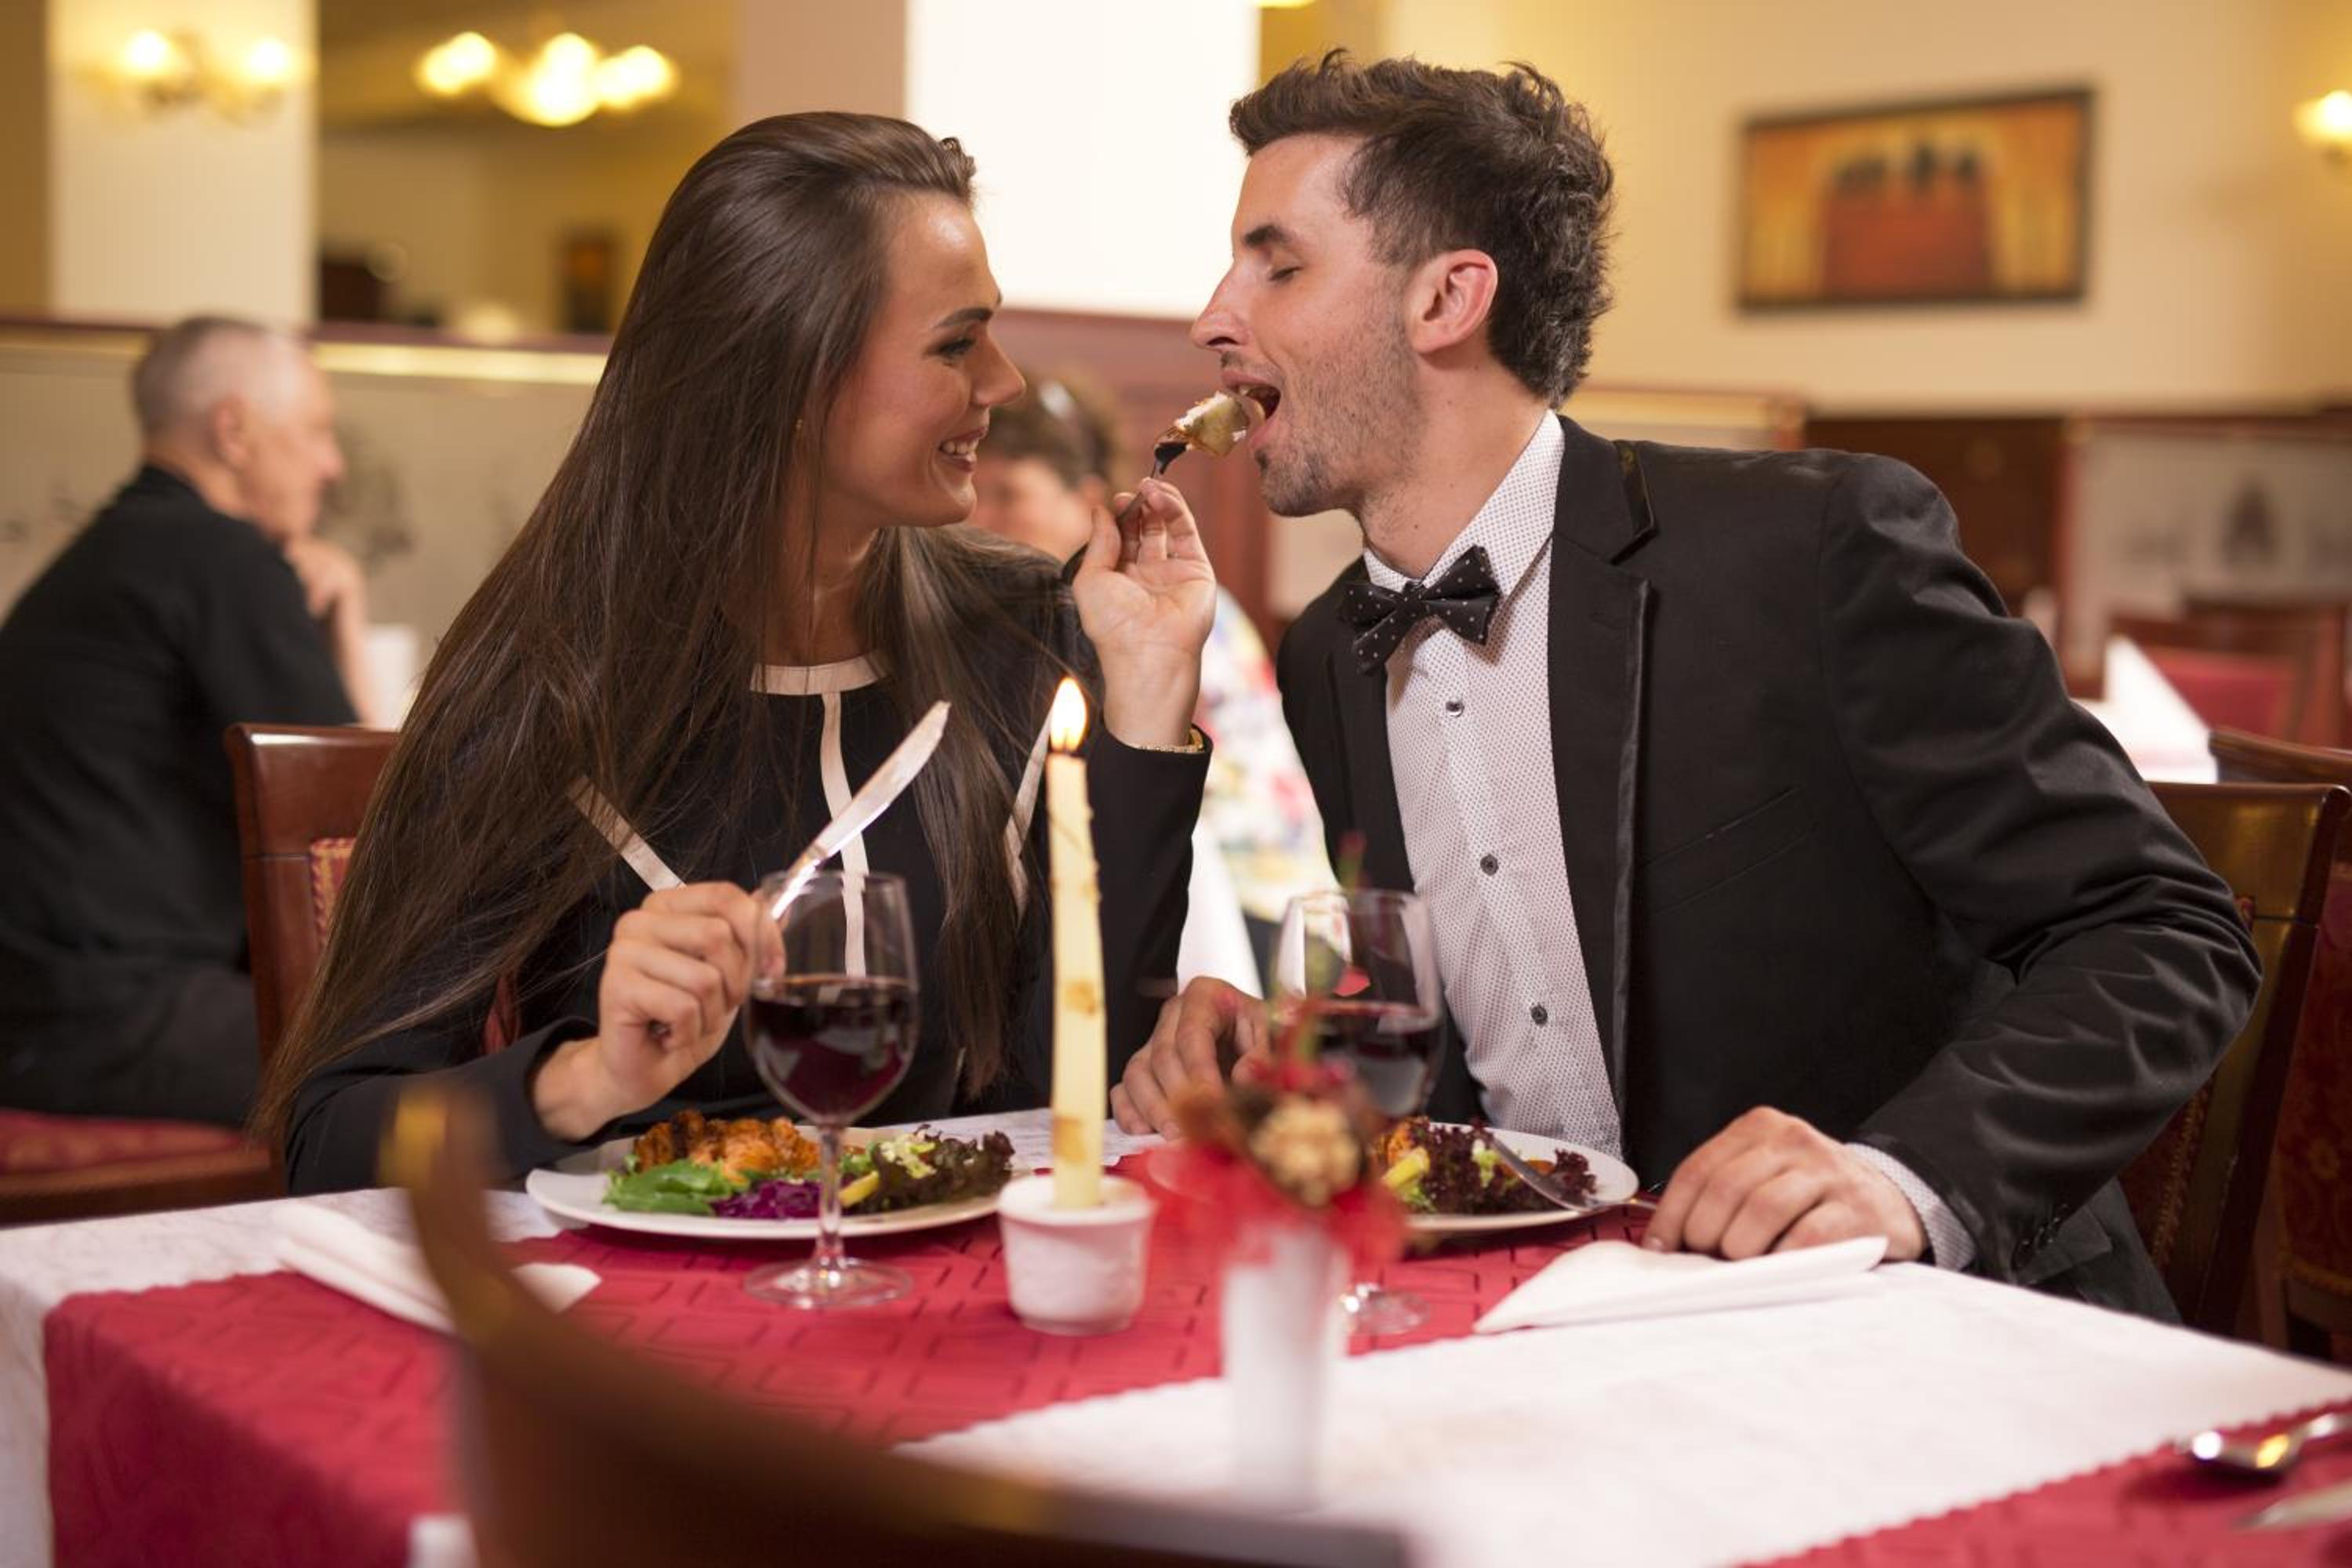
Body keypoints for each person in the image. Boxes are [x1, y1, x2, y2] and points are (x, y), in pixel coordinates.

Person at [1113, 54, 2258, 1317]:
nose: (1212, 318)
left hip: (1918, 1321)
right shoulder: (1333, 650)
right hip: (1559, 1321)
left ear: (1447, 298)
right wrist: (1289, 1058)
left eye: (1277, 267)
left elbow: (2163, 932)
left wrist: (1902, 1179)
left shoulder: (1815, 549)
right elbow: (1464, 1061)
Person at [254, 113, 1215, 1193]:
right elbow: (330, 1140)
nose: (1003, 382)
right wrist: (584, 1080)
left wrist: (1146, 706)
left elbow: (1075, 1101)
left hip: (946, 1281)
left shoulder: (1025, 625)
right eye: (957, 343)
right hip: (630, 1295)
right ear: (789, 373)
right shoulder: (544, 681)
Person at [0, 317, 372, 1127]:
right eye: (315, 431)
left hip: (39, 1008)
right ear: (233, 431)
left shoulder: (106, 557)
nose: (331, 463)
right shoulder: (222, 557)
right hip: (108, 1020)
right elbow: (358, 806)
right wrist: (347, 619)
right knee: (424, 1060)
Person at [971, 372, 1331, 985]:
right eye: (976, 492)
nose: (981, 516)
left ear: (1089, 502)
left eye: (1008, 493)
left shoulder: (1139, 607)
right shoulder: (1058, 608)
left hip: (1257, 911)